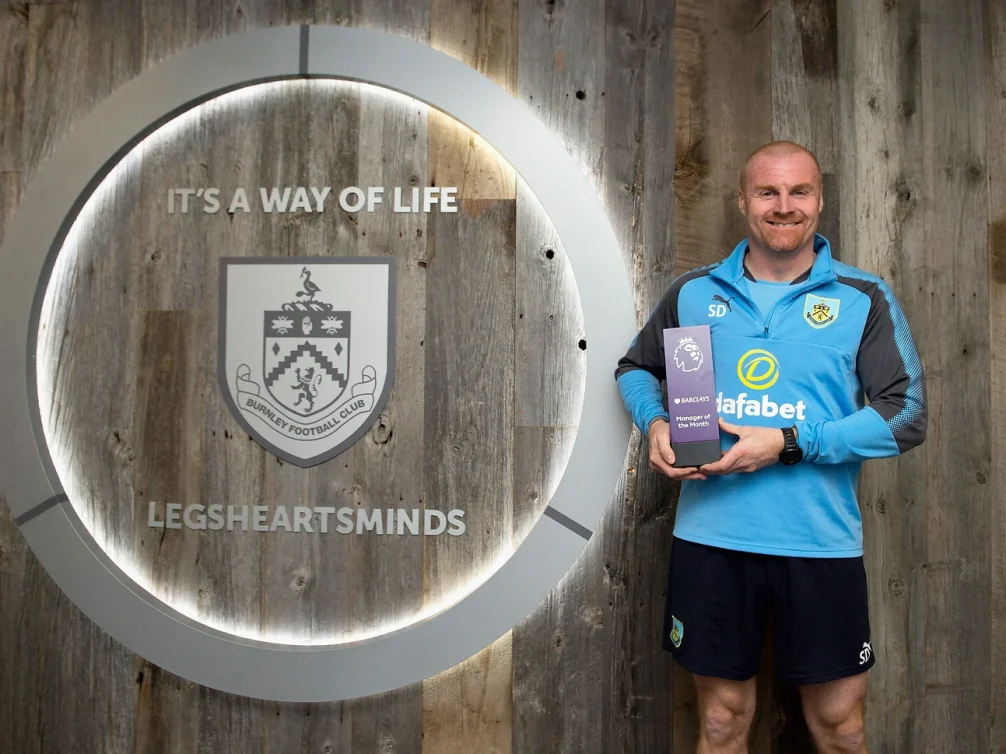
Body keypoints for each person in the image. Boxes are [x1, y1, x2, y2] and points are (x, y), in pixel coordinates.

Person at [614, 141, 927, 754]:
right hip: (713, 542)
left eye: (799, 192)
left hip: (819, 544)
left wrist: (787, 442)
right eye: (767, 192)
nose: (784, 206)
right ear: (742, 202)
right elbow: (636, 367)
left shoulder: (862, 297)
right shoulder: (695, 292)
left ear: (819, 200)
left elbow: (907, 415)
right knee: (723, 722)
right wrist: (655, 421)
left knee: (839, 727)